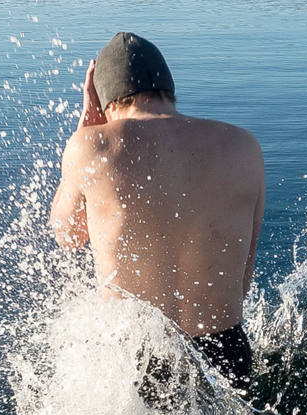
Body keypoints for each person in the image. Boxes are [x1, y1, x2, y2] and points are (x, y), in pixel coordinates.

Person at [49, 32, 266, 391]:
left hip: (139, 358)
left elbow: (68, 235)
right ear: (169, 89)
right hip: (228, 353)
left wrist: (87, 124)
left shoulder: (92, 144)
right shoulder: (244, 146)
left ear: (106, 103)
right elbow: (243, 282)